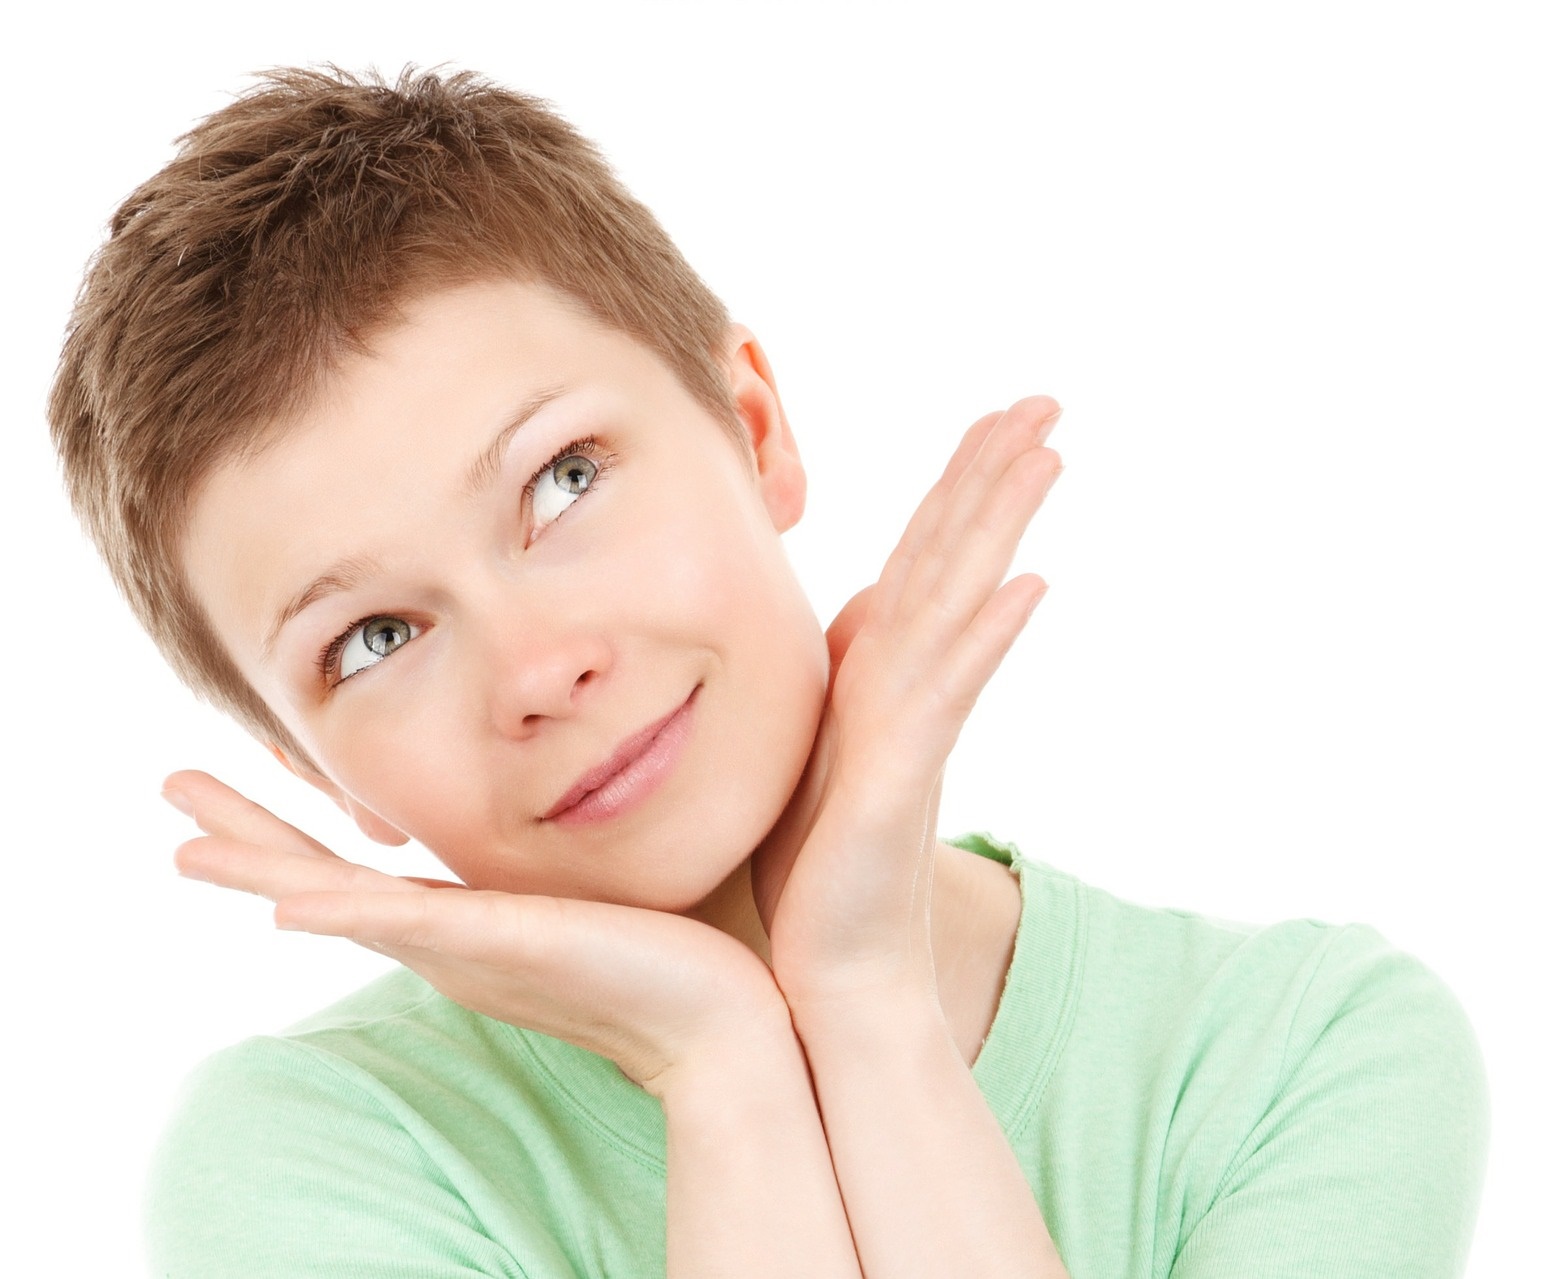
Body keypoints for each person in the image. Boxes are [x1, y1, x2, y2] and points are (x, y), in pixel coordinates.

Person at [49, 65, 1489, 1277]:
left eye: (563, 479)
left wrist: (865, 1002)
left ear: (754, 429)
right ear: (319, 775)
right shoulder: (315, 1164)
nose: (541, 668)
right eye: (374, 639)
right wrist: (723, 1067)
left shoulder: (1296, 1055)